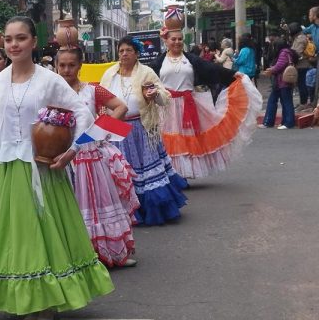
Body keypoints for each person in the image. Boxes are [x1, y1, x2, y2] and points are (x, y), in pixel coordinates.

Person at [0, 17, 114, 320]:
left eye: (21, 38)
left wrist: (72, 151)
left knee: (45, 236)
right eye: (9, 39)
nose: (14, 45)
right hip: (7, 169)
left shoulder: (49, 80)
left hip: (42, 170)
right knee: (19, 240)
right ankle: (30, 300)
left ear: (34, 42)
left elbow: (84, 115)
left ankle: (48, 303)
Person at [55, 46, 140, 268]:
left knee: (99, 204)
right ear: (56, 66)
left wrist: (101, 130)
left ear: (80, 66)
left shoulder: (92, 90)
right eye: (62, 65)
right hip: (63, 157)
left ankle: (112, 252)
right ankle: (75, 256)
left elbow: (120, 108)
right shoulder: (51, 93)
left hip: (90, 156)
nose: (66, 70)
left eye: (71, 65)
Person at [150, 25, 259, 179]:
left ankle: (183, 174)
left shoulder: (191, 60)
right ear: (166, 41)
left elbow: (213, 69)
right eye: (173, 39)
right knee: (169, 141)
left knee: (186, 141)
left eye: (180, 39)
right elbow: (146, 79)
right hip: (166, 107)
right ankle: (171, 174)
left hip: (189, 105)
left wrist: (234, 74)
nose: (177, 42)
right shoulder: (159, 62)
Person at [101, 36, 188, 226]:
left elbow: (164, 97)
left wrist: (154, 94)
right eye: (121, 50)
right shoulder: (109, 74)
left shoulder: (146, 73)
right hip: (116, 130)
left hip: (142, 129)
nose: (124, 54)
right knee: (122, 171)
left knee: (145, 174)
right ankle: (126, 212)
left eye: (129, 50)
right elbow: (100, 98)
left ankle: (151, 210)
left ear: (137, 54)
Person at [260, 38, 297, 129]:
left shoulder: (284, 52)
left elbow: (280, 65)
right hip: (280, 82)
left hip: (282, 81)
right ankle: (272, 122)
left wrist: (271, 70)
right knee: (279, 101)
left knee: (285, 102)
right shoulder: (288, 52)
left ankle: (287, 122)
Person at [289, 23, 314, 112]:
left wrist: (290, 58)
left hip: (302, 65)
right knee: (301, 84)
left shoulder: (300, 39)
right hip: (302, 65)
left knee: (302, 85)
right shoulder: (300, 37)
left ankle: (303, 103)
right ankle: (303, 103)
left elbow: (297, 53)